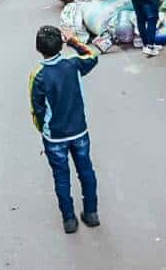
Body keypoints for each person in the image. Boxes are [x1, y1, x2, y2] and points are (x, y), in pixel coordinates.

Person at [29, 25, 100, 234]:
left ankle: (69, 219)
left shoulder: (38, 75)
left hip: (55, 137)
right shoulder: (73, 64)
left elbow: (37, 109)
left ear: (38, 48)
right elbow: (92, 55)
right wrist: (74, 41)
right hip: (79, 131)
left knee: (61, 177)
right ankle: (91, 213)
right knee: (86, 171)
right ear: (62, 44)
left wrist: (44, 131)